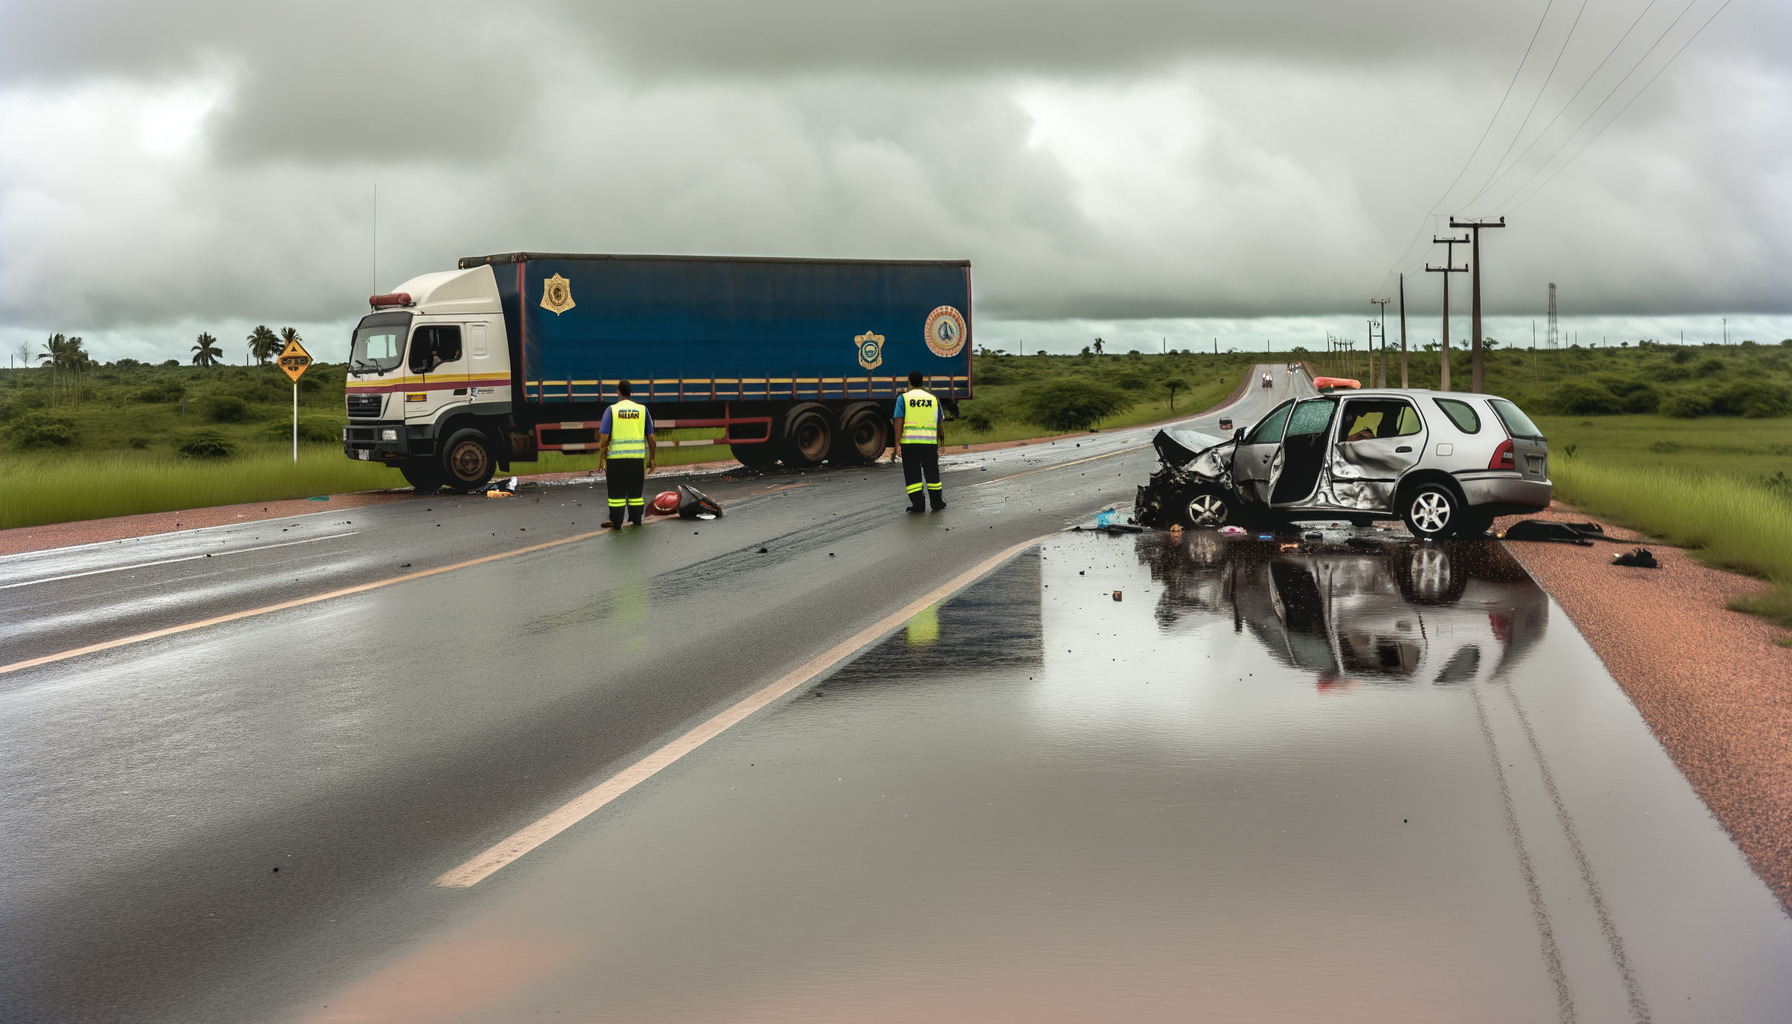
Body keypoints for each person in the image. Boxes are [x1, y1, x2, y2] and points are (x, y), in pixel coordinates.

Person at [596, 380, 656, 528]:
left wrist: (602, 459)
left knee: (616, 496)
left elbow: (603, 440)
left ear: (618, 391)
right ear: (630, 392)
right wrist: (652, 459)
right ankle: (636, 520)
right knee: (636, 495)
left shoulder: (611, 410)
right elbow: (652, 439)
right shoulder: (642, 410)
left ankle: (616, 522)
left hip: (616, 461)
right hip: (636, 460)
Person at [892, 370, 945, 513]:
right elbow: (939, 421)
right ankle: (937, 502)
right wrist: (941, 438)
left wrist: (897, 443)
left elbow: (898, 420)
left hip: (910, 444)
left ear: (909, 382)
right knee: (933, 473)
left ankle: (918, 505)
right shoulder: (933, 399)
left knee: (912, 474)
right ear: (922, 382)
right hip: (929, 444)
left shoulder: (903, 399)